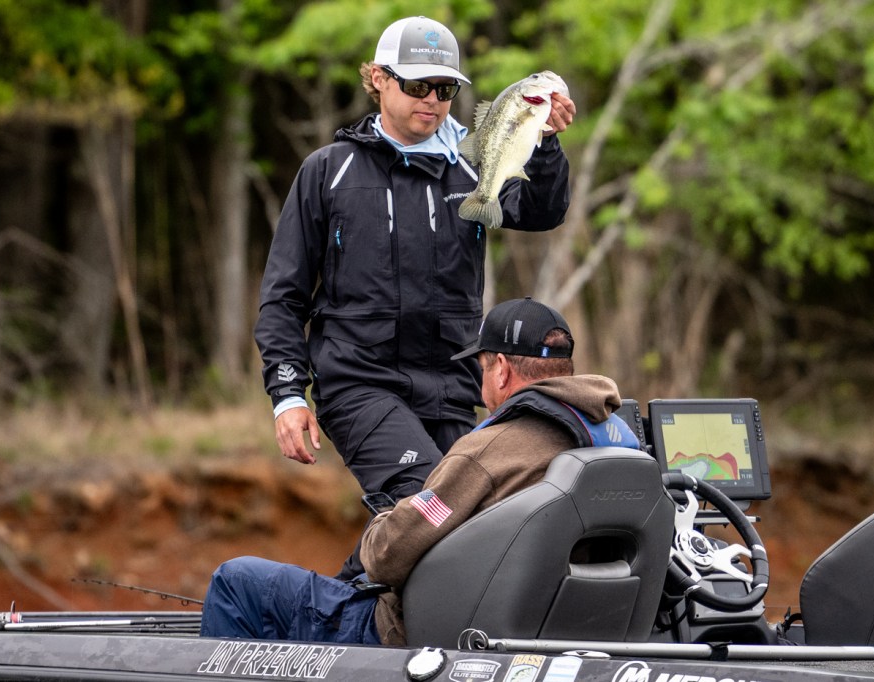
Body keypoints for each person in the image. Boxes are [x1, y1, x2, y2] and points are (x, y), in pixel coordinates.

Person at [253, 15, 577, 579]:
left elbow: (541, 211)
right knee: (434, 504)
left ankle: (345, 601)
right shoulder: (327, 171)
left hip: (452, 389)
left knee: (483, 517)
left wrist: (545, 142)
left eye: (445, 89)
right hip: (358, 384)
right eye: (417, 85)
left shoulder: (473, 165)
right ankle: (335, 611)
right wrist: (287, 395)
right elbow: (283, 296)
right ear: (378, 79)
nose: (432, 100)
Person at [202, 298, 641, 645]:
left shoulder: (487, 451)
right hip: (555, 632)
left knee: (236, 581)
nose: (481, 386)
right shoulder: (620, 443)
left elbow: (387, 555)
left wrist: (383, 521)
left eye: (482, 368)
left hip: (418, 635)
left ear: (502, 371)